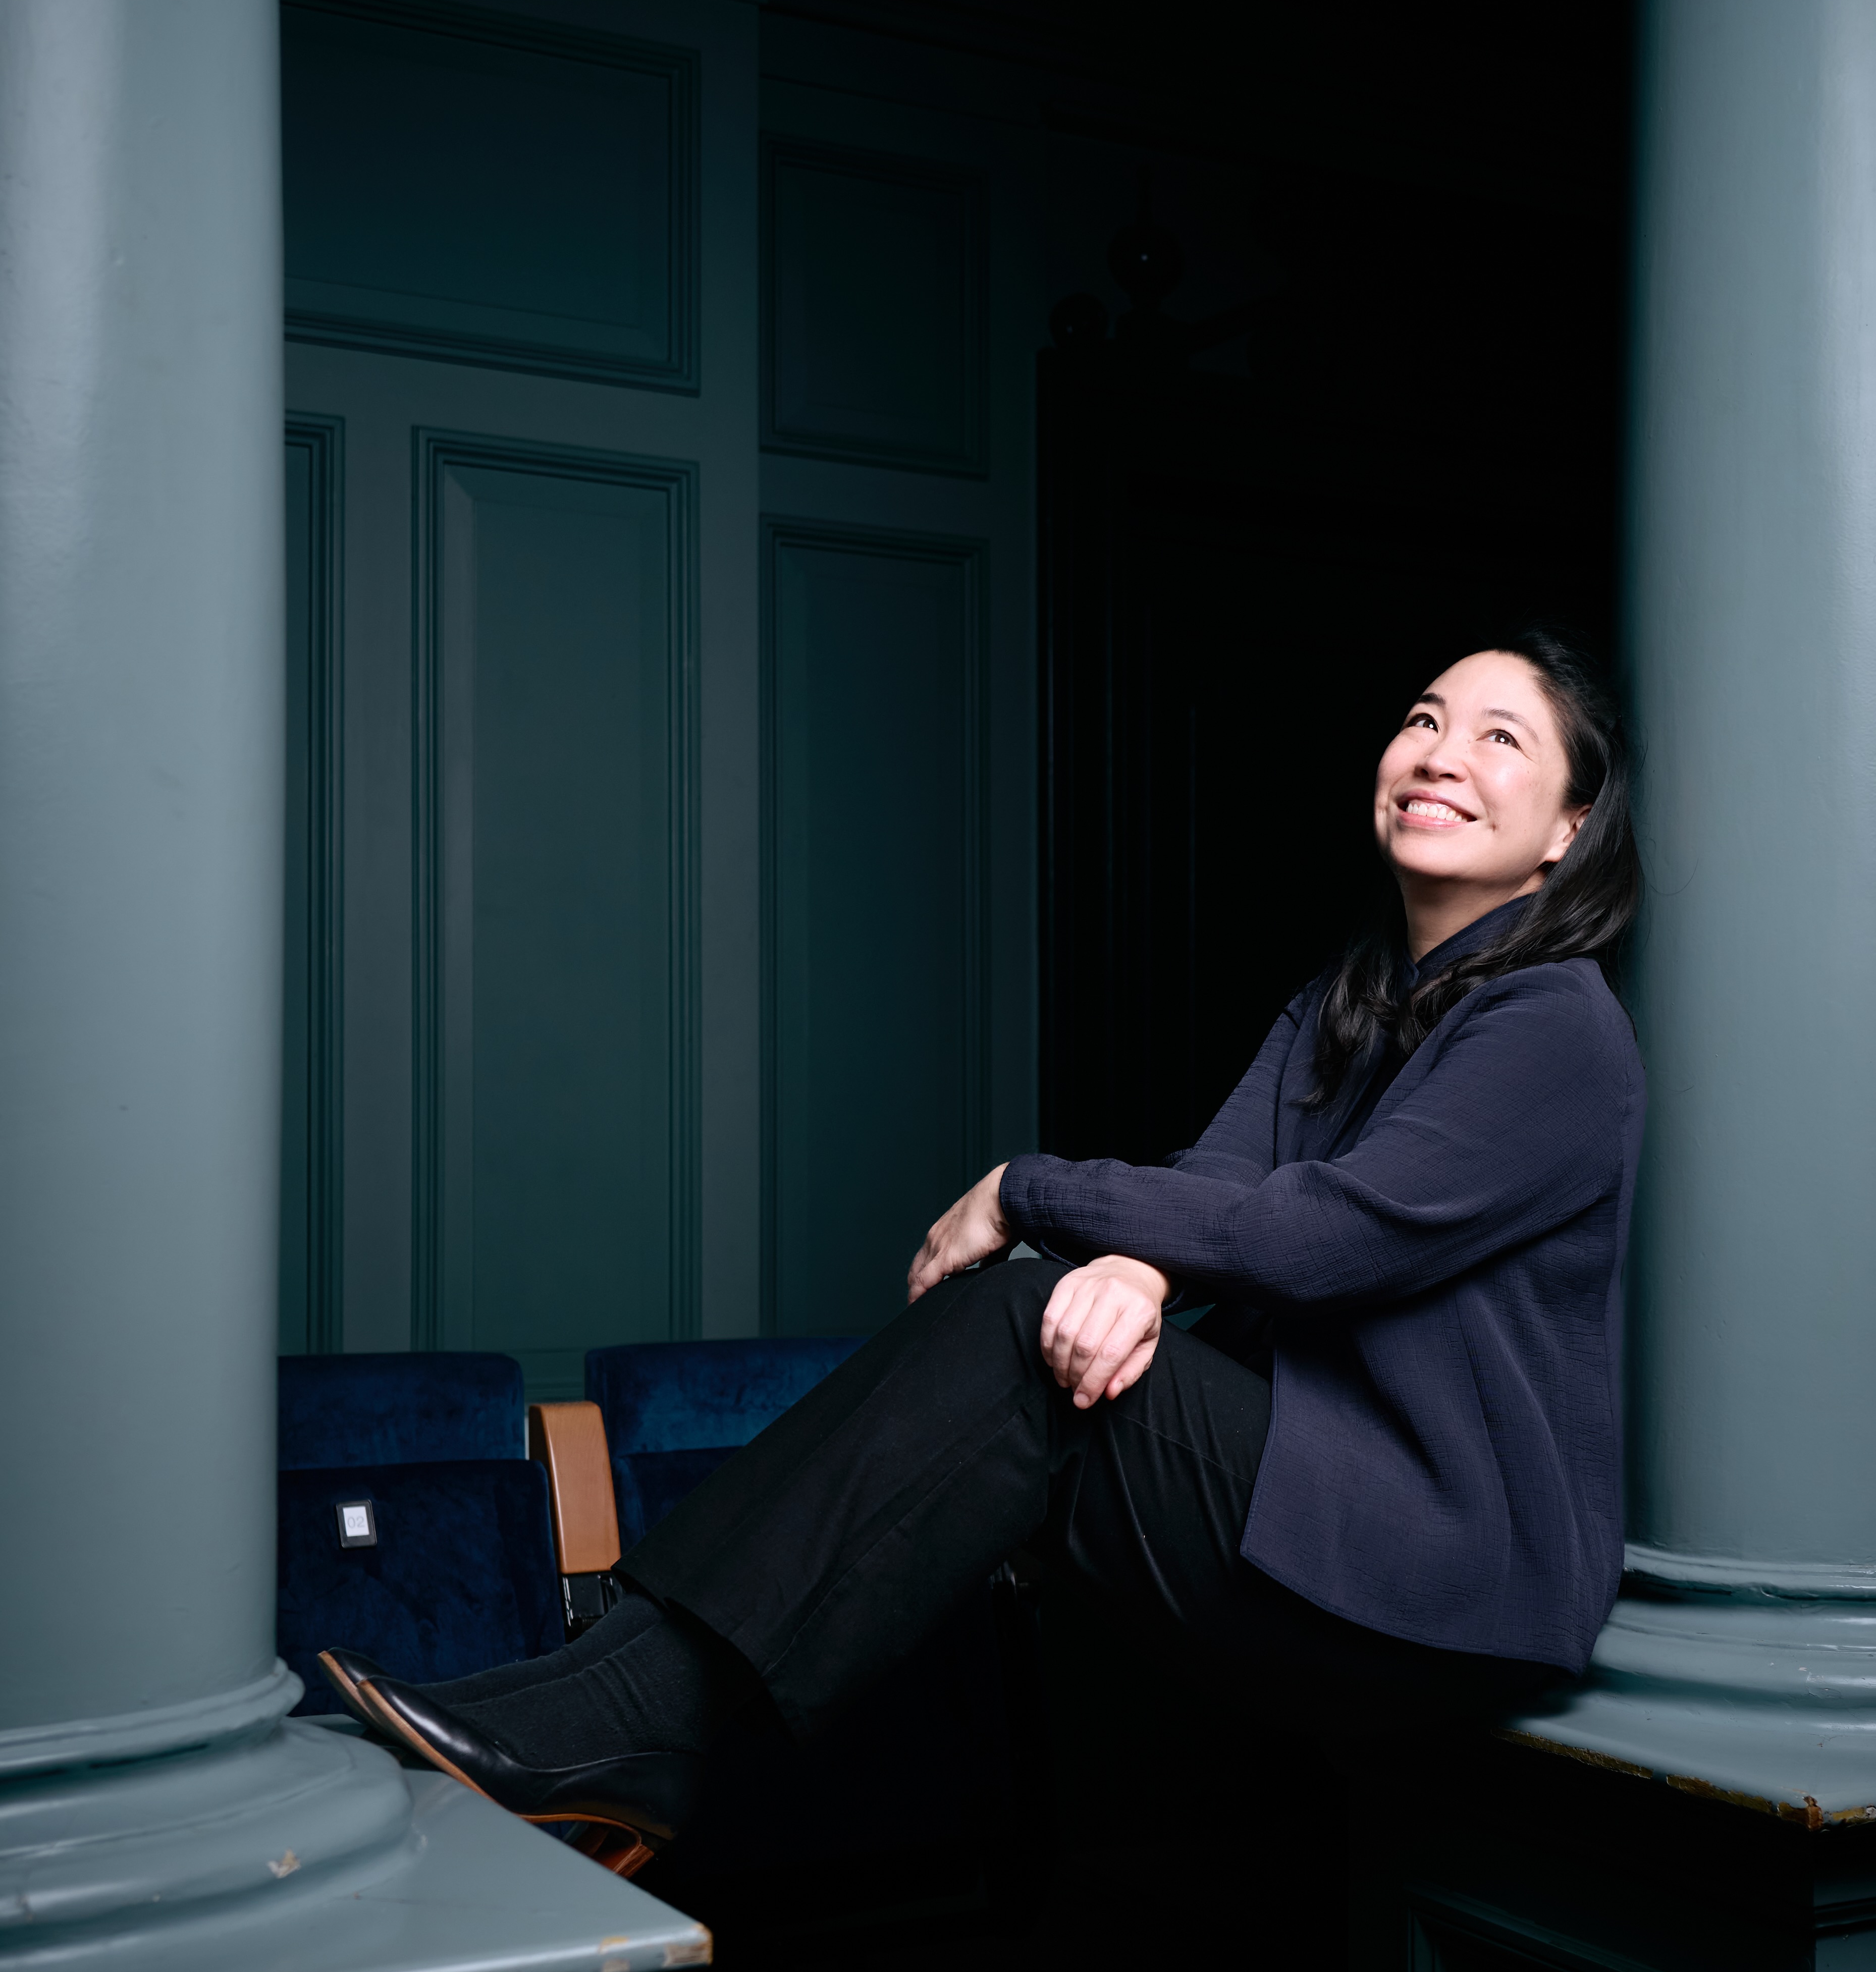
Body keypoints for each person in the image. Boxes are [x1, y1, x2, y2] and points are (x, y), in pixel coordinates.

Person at [321, 631, 1646, 1852]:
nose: (1439, 754)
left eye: (1500, 739)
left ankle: (627, 1713)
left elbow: (1315, 1239)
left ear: (1569, 832)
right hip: (1320, 1502)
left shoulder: (1556, 1025)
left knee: (1020, 1325)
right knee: (1053, 1327)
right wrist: (1136, 1266)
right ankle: (598, 1688)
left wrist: (1027, 1190)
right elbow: (1221, 1185)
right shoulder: (1346, 999)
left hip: (1448, 1568)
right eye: (1424, 720)